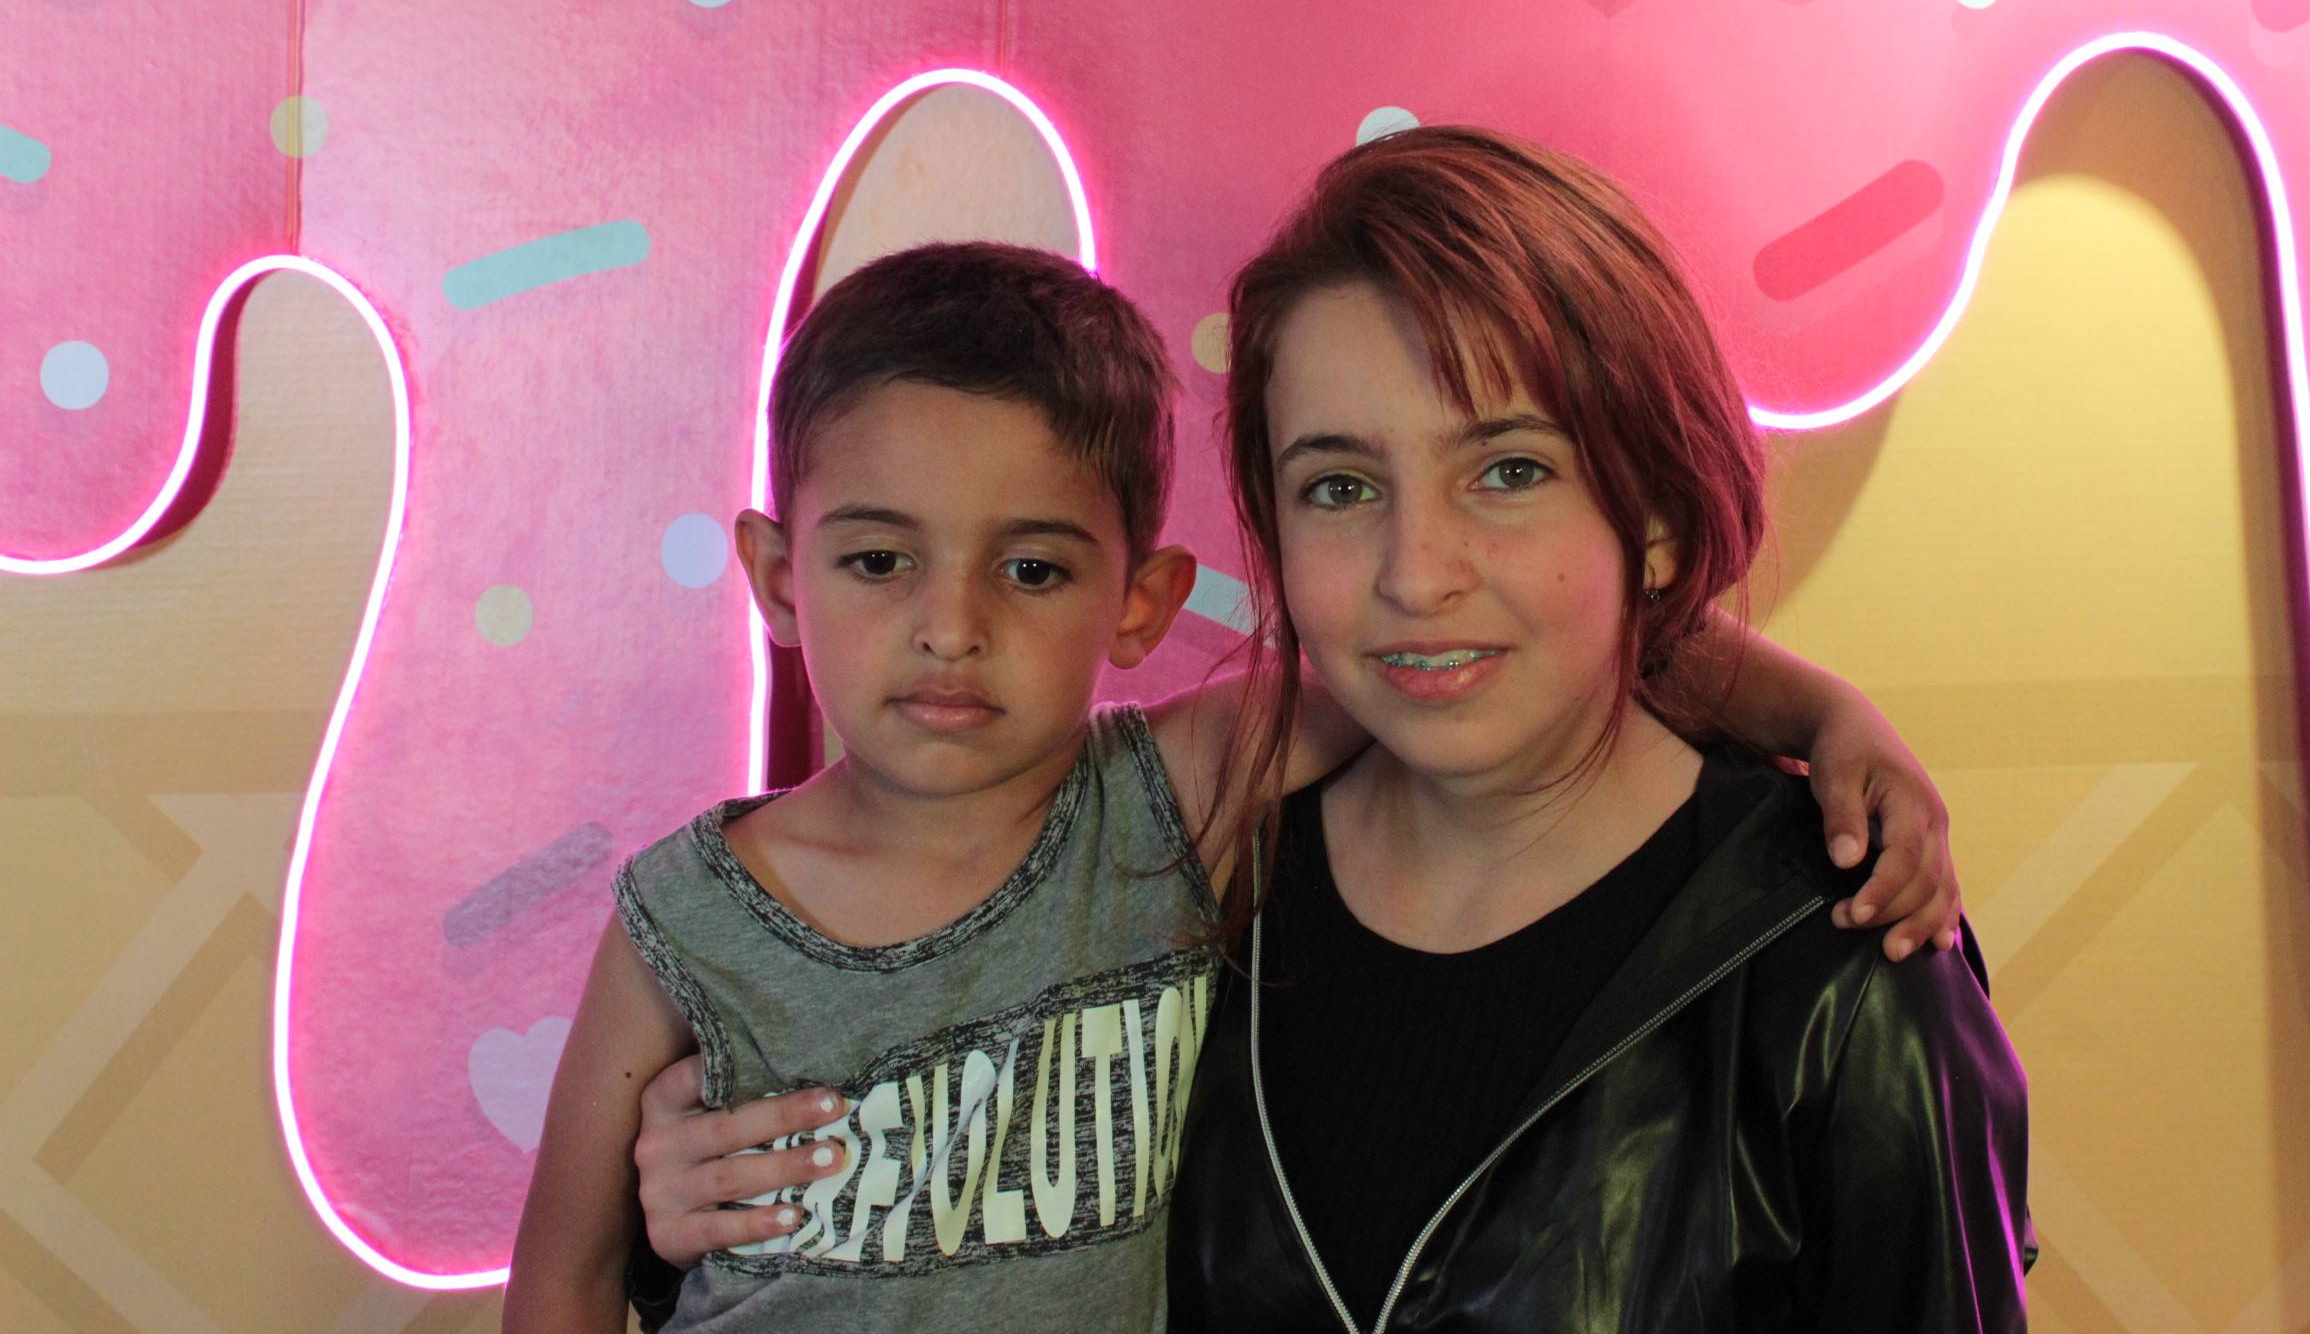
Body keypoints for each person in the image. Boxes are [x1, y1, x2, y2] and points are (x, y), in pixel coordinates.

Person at [557, 232, 1967, 1330]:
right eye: (880, 560)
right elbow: (575, 1265)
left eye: (1032, 568)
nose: (951, 626)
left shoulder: (1172, 806)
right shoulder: (692, 910)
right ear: (777, 575)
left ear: (1142, 601)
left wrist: (1823, 713)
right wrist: (667, 1225)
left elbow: (1538, 635)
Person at [1164, 127, 2032, 1331]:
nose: (1415, 573)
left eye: (1509, 471)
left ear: (1657, 516)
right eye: (1341, 487)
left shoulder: (1841, 968)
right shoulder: (1199, 895)